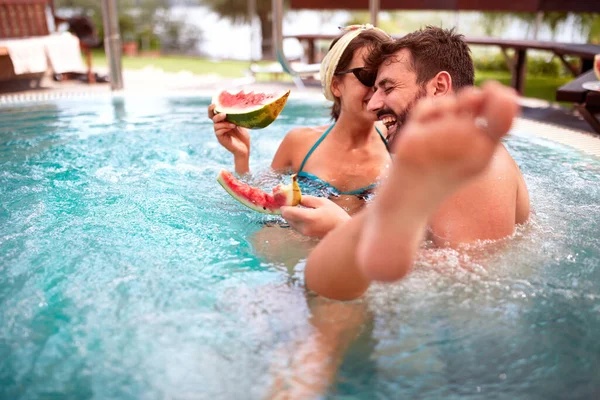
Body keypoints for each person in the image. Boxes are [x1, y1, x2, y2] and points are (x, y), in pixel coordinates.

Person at [280, 27, 530, 301]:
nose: (373, 104)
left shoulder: (478, 168)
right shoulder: (439, 161)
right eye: (374, 89)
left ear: (439, 87)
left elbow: (471, 283)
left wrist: (342, 229)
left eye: (387, 87)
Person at [209, 25, 393, 216]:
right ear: (336, 85)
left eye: (386, 80)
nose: (377, 89)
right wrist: (242, 156)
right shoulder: (299, 143)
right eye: (368, 75)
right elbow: (256, 206)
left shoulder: (398, 141)